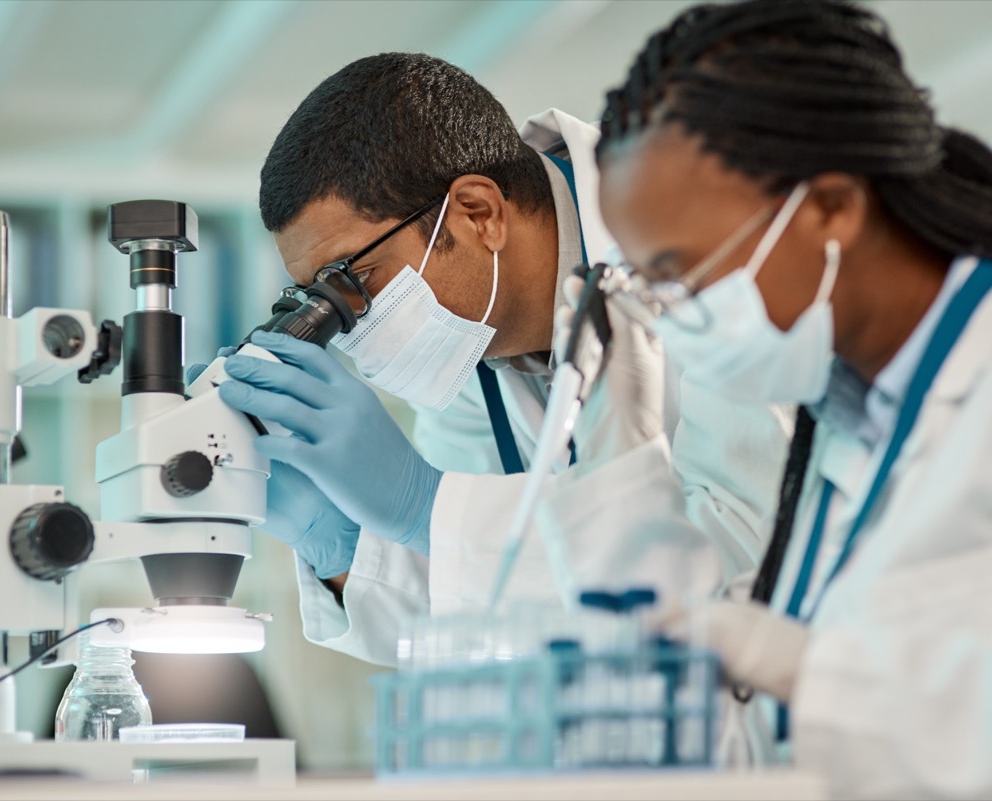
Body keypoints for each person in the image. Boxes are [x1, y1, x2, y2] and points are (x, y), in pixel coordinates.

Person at [579, 0, 992, 797]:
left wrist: (818, 673)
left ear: (832, 207)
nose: (670, 312)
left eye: (680, 271)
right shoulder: (844, 416)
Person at [210, 53, 789, 667]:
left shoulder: (715, 244)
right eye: (315, 297)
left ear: (478, 214)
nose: (350, 323)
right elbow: (479, 617)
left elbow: (747, 553)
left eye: (351, 278)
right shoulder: (468, 346)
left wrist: (425, 507)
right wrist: (341, 547)